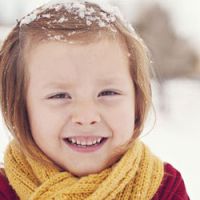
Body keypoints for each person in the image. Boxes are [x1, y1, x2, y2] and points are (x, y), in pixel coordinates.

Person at [0, 0, 189, 199]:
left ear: (137, 101)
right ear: (21, 108)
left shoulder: (165, 188)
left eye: (108, 93)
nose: (86, 116)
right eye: (60, 96)